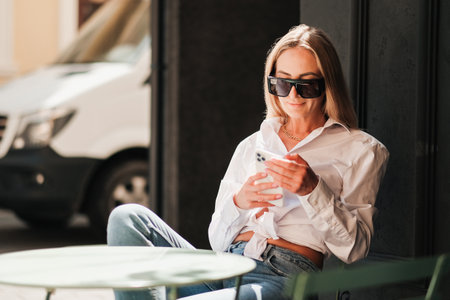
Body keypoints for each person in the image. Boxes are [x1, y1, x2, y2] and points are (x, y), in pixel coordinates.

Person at [107, 24, 389, 300]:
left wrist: (312, 190)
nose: (292, 95)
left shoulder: (361, 150)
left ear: (328, 85)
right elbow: (217, 240)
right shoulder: (253, 144)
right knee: (127, 218)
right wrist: (240, 201)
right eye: (282, 82)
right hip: (223, 267)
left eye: (306, 85)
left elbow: (353, 249)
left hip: (284, 277)